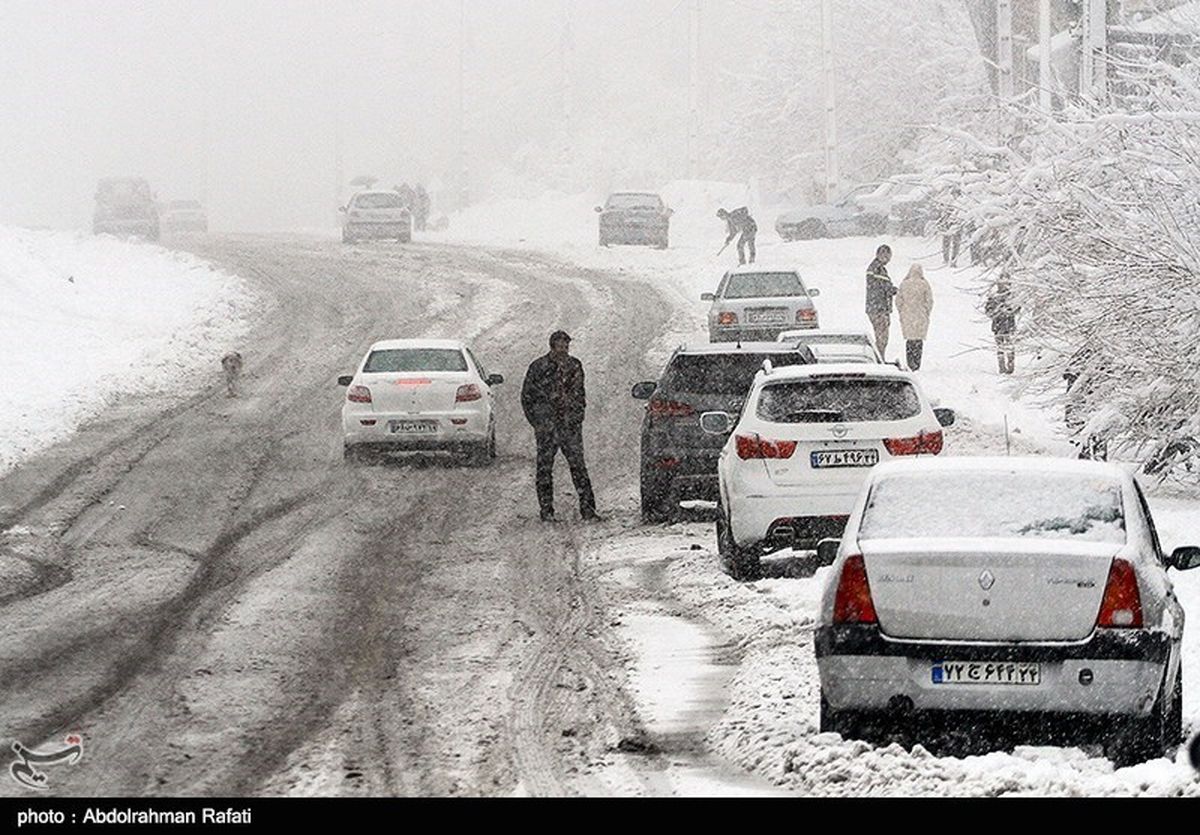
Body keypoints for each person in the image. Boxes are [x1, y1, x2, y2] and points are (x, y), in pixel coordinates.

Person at [521, 330, 601, 522]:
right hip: (547, 427)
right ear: (552, 346)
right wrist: (538, 422)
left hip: (569, 426)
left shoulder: (574, 366)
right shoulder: (539, 367)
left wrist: (576, 417)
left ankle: (588, 510)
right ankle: (546, 510)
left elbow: (580, 395)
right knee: (544, 469)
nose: (564, 349)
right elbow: (527, 397)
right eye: (560, 345)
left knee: (578, 467)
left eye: (566, 346)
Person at [896, 263, 933, 371]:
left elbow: (898, 300)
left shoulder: (904, 284)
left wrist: (902, 311)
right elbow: (929, 300)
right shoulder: (924, 284)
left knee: (910, 340)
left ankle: (910, 362)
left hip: (907, 315)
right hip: (921, 315)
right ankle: (917, 363)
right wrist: (926, 311)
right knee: (918, 340)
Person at [865, 244, 897, 360]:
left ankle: (880, 358)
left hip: (878, 307)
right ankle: (879, 359)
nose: (888, 258)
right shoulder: (876, 269)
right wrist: (893, 290)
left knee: (882, 336)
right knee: (882, 337)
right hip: (878, 308)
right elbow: (882, 287)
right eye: (885, 255)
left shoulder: (878, 268)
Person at [984, 279, 1018, 374]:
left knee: (1010, 347)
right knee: (1000, 347)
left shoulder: (1012, 297)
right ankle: (1002, 367)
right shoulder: (994, 297)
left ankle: (1010, 366)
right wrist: (996, 313)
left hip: (1009, 326)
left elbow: (1017, 308)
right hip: (998, 326)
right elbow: (988, 310)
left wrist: (1009, 311)